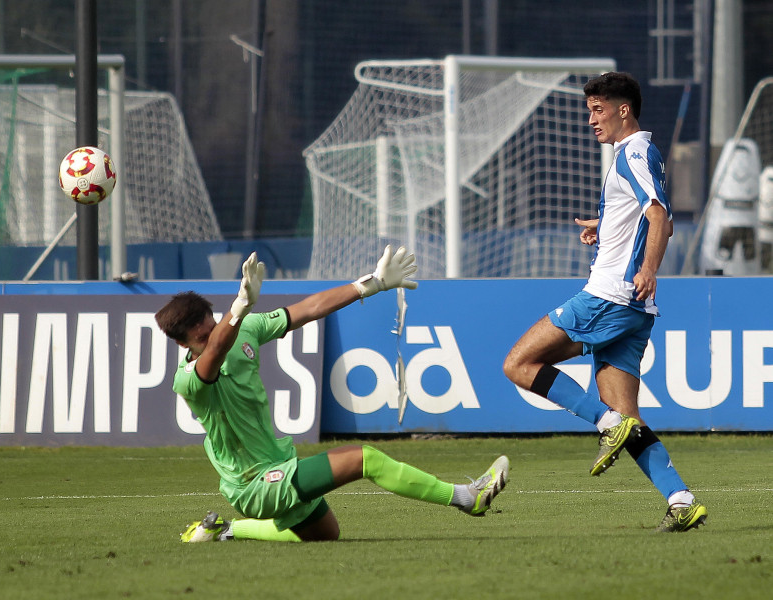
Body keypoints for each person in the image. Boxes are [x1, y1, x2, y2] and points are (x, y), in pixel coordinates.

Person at [155, 246, 509, 542]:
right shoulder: (188, 380)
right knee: (364, 458)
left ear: (212, 316)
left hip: (277, 466)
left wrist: (371, 284)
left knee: (325, 534)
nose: (209, 337)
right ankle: (467, 498)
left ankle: (225, 531)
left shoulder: (244, 327)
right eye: (198, 338)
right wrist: (238, 308)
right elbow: (215, 350)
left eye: (209, 326)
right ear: (181, 343)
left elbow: (309, 309)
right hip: (253, 484)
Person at [502, 72, 707, 533]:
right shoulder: (638, 155)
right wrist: (608, 222)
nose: (590, 119)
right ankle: (681, 499)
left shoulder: (633, 152)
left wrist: (649, 268)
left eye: (598, 110)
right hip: (634, 310)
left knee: (517, 364)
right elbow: (657, 218)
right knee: (629, 421)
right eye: (589, 110)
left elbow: (657, 216)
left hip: (610, 296)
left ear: (623, 110)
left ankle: (603, 421)